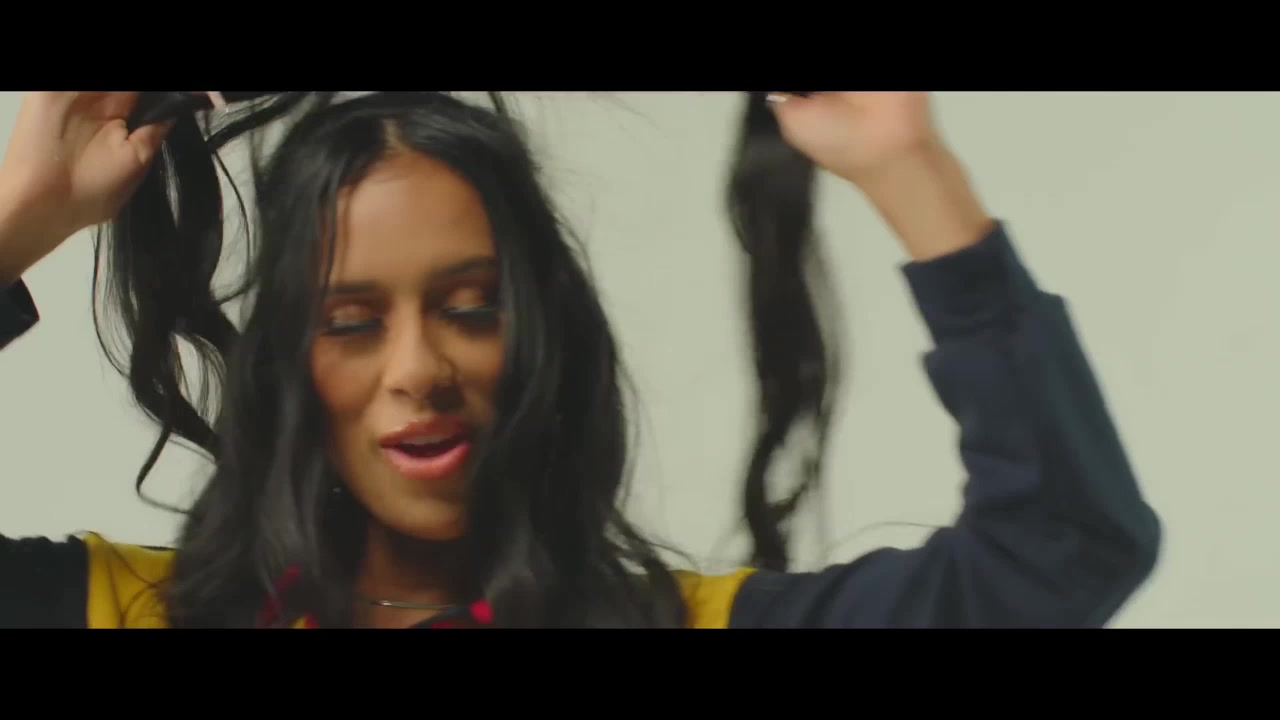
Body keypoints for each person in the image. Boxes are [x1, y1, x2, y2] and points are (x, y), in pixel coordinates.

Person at [0, 91, 1160, 628]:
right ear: (284, 368)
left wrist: (907, 169)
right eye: (350, 320)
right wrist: (19, 218)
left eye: (471, 307)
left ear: (545, 338)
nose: (417, 367)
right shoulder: (118, 613)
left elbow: (1057, 555)